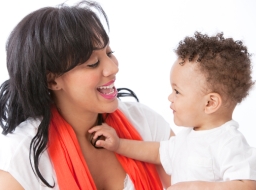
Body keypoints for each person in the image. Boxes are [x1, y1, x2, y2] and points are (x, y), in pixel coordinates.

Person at [0, 1, 174, 189]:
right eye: (93, 63)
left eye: (109, 53)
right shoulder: (19, 158)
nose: (113, 68)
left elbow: (193, 178)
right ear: (52, 80)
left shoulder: (145, 123)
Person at [89, 32, 256, 189]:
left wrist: (196, 187)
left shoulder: (228, 142)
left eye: (177, 92)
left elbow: (248, 185)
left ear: (210, 103)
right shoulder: (187, 138)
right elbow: (156, 152)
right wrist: (119, 145)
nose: (170, 97)